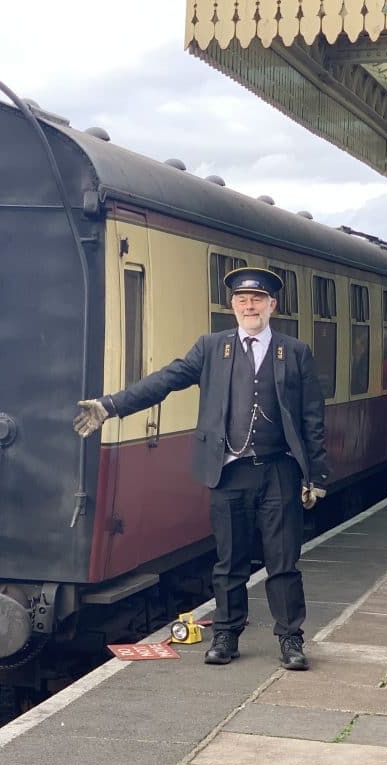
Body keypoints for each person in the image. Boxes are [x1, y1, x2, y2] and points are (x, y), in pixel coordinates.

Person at [73, 267, 329, 670]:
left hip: (280, 470)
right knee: (229, 561)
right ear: (232, 306)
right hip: (228, 472)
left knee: (283, 561)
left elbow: (313, 416)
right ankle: (226, 634)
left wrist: (316, 476)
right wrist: (111, 405)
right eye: (243, 299)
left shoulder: (294, 351)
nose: (250, 305)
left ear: (272, 306)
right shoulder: (212, 348)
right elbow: (166, 380)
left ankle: (291, 639)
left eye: (258, 299)